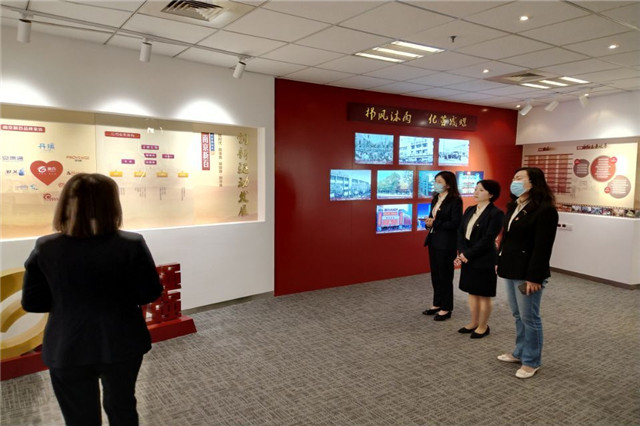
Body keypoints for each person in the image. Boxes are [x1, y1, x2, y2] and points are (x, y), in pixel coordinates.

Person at [22, 173, 163, 425]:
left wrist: (67, 300)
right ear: (112, 205)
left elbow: (33, 302)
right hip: (122, 341)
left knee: (79, 418)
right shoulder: (131, 244)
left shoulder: (46, 247)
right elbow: (149, 293)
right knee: (122, 409)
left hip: (67, 345)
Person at [496, 167, 558, 379]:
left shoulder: (545, 210)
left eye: (519, 178)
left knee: (529, 317)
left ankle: (532, 361)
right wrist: (499, 260)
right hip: (511, 267)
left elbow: (543, 247)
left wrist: (535, 277)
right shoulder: (515, 205)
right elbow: (507, 237)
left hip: (528, 272)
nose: (514, 181)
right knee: (517, 314)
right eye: (514, 177)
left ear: (533, 183)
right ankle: (519, 352)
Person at [454, 180, 504, 338]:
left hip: (484, 258)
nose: (476, 192)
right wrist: (462, 251)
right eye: (476, 189)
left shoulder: (496, 213)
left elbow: (488, 239)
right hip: (468, 257)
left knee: (483, 294)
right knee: (472, 292)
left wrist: (468, 254)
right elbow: (460, 232)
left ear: (491, 194)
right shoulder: (470, 209)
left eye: (481, 190)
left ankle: (483, 325)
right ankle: (473, 322)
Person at [423, 171, 462, 321]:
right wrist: (428, 224)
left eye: (439, 181)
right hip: (434, 240)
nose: (436, 184)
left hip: (446, 243)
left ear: (448, 184)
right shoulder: (436, 198)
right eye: (435, 181)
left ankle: (446, 307)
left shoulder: (455, 201)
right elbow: (432, 218)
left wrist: (435, 223)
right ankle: (437, 303)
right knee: (436, 274)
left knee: (445, 275)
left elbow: (455, 223)